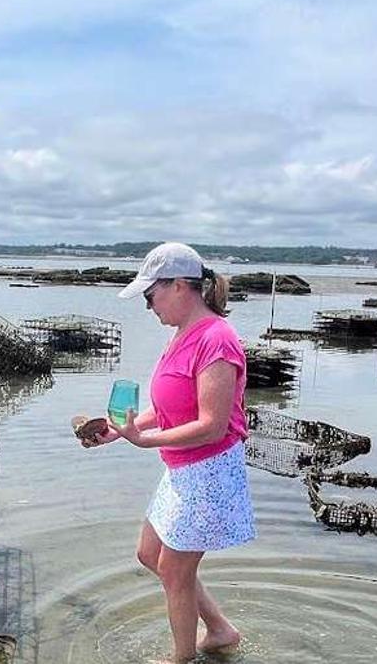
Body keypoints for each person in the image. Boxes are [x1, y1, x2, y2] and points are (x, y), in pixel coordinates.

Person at [82, 241, 252, 661]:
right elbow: (168, 408)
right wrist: (122, 431)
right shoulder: (181, 336)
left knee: (175, 571)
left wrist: (144, 441)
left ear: (179, 286)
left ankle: (181, 658)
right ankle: (220, 630)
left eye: (149, 295)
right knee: (150, 554)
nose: (148, 306)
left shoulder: (217, 339)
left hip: (209, 470)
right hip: (182, 469)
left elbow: (211, 426)